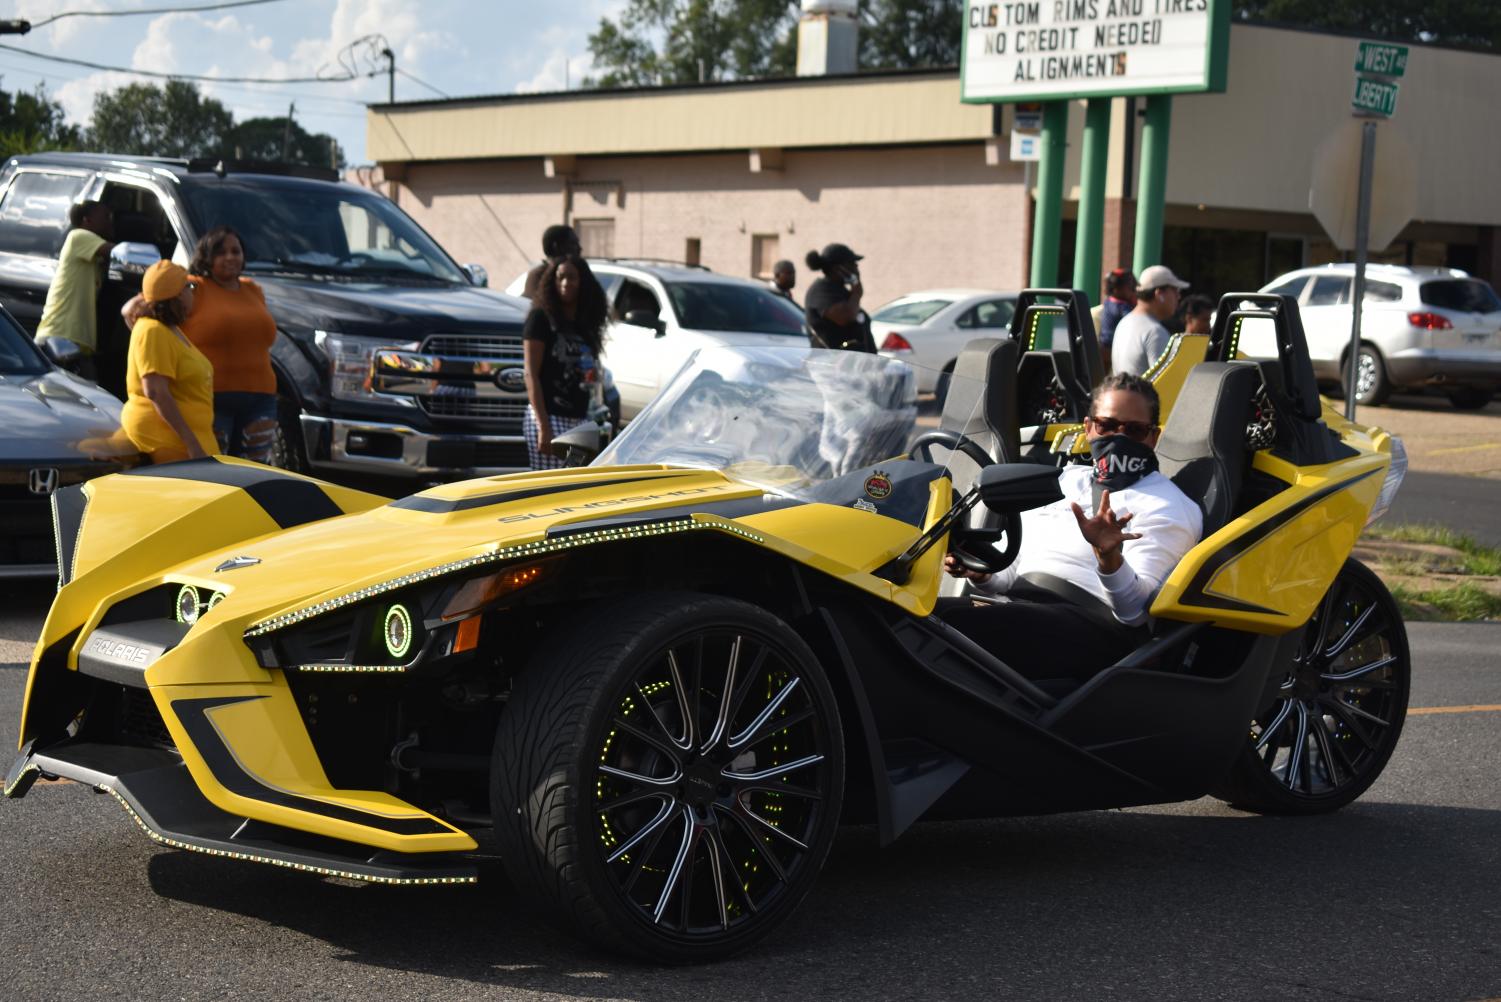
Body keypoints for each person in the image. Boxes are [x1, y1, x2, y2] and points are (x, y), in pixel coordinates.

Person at [940, 373, 1202, 683]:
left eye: (1133, 430)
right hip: (1022, 608)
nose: (1119, 438)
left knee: (946, 627)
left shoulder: (1169, 506)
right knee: (909, 613)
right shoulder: (1064, 479)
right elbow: (1009, 577)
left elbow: (1133, 612)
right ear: (1090, 428)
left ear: (1152, 438)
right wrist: (980, 572)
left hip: (1095, 629)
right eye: (1107, 426)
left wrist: (1109, 557)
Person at [121, 261, 218, 464]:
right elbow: (156, 392)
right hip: (169, 442)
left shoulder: (167, 328)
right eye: (189, 287)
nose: (193, 293)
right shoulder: (152, 331)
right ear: (177, 295)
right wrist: (192, 444)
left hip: (190, 440)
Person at [521, 253, 607, 469]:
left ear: (583, 282)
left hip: (579, 420)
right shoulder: (540, 318)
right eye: (560, 277)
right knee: (547, 491)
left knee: (574, 489)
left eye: (572, 277)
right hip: (548, 417)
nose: (566, 283)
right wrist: (543, 427)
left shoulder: (585, 323)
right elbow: (531, 374)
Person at [34, 201, 116, 380]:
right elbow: (116, 252)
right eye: (105, 217)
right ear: (86, 221)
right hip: (61, 337)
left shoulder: (91, 252)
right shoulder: (78, 236)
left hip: (75, 341)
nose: (111, 222)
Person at [1111, 264, 1190, 375]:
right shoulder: (1155, 332)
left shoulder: (1124, 323)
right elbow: (1167, 385)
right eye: (1174, 290)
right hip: (1140, 393)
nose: (1178, 296)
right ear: (1159, 294)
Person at [803, 243, 875, 352]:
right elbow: (846, 317)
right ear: (838, 268)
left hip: (853, 364)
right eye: (852, 263)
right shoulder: (821, 290)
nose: (856, 267)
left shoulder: (841, 290)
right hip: (830, 364)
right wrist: (856, 292)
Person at [522, 224, 582, 303]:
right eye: (573, 243)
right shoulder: (538, 275)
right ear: (556, 247)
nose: (579, 248)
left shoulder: (579, 272)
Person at [1094, 267, 1137, 370]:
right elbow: (1133, 319)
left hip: (1104, 346)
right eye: (1130, 288)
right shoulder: (1121, 307)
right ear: (1117, 289)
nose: (1133, 291)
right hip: (1111, 348)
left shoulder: (1109, 302)